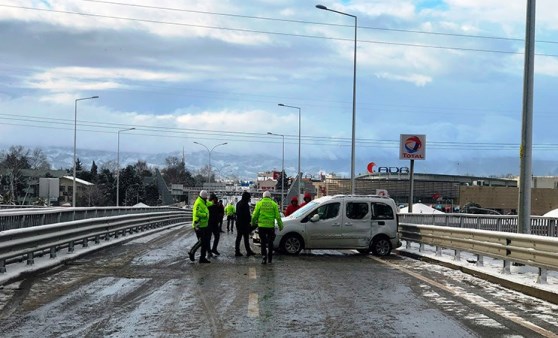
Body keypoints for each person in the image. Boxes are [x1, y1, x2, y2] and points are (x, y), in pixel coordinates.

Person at [251, 191, 283, 264]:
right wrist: (281, 226)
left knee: (263, 242)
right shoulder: (274, 204)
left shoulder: (259, 204)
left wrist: (253, 223)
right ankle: (270, 258)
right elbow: (278, 217)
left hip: (261, 226)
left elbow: (255, 215)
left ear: (263, 196)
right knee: (270, 242)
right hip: (270, 227)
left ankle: (264, 258)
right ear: (270, 196)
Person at [188, 190, 211, 263]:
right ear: (204, 197)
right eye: (206, 197)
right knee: (202, 241)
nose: (206, 198)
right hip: (199, 225)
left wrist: (213, 203)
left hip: (203, 225)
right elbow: (196, 213)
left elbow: (208, 203)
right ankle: (192, 252)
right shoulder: (198, 203)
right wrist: (205, 215)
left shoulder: (203, 202)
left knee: (204, 242)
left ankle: (202, 258)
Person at [235, 191, 256, 257]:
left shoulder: (238, 203)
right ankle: (248, 251)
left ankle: (237, 251)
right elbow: (246, 215)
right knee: (246, 238)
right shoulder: (245, 204)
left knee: (239, 238)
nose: (249, 199)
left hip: (238, 222)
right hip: (244, 224)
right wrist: (250, 221)